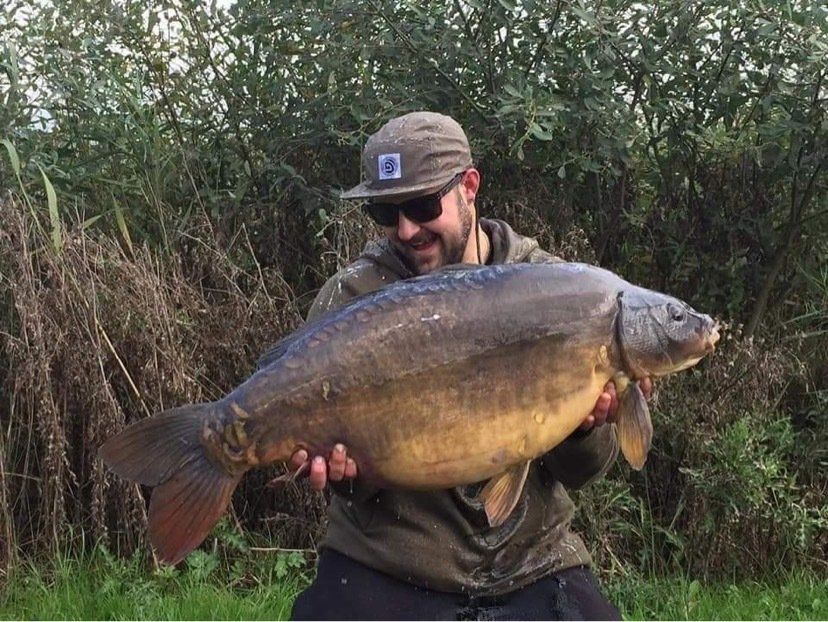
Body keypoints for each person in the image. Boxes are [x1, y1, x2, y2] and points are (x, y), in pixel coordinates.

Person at [287, 111, 651, 620]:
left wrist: (584, 428)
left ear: (469, 187)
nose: (406, 229)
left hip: (532, 563)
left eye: (422, 205)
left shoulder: (558, 290)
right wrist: (347, 475)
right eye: (386, 213)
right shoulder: (351, 298)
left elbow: (582, 472)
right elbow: (347, 485)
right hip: (386, 561)